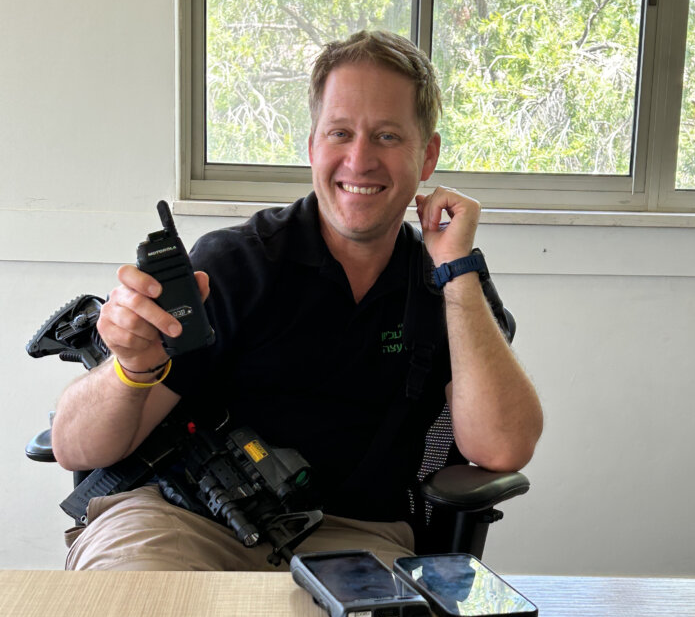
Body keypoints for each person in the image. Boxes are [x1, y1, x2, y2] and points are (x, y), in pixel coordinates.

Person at [52, 30, 543, 570]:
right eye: (340, 133)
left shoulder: (448, 284)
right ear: (312, 146)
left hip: (354, 537)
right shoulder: (237, 264)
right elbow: (73, 447)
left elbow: (502, 449)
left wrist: (456, 271)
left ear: (427, 156)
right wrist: (130, 368)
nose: (359, 160)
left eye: (386, 136)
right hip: (186, 521)